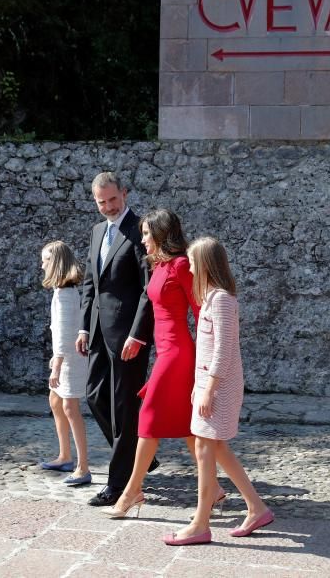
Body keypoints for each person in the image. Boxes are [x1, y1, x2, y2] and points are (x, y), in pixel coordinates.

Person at [101, 209, 225, 519]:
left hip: (179, 355)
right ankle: (215, 490)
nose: (141, 240)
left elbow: (201, 312)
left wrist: (207, 362)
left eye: (146, 234)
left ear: (161, 235)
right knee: (188, 428)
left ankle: (131, 491)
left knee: (147, 419)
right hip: (166, 352)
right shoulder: (160, 265)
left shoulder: (182, 265)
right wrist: (138, 337)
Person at [163, 237, 274, 546]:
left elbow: (224, 351)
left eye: (194, 261)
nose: (191, 266)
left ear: (207, 264)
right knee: (215, 447)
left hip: (221, 386)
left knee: (205, 447)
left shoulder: (223, 299)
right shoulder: (211, 298)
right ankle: (257, 508)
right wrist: (198, 388)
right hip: (210, 384)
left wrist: (208, 389)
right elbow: (208, 351)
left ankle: (200, 523)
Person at [75, 172, 155, 507]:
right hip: (96, 333)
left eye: (113, 199)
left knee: (124, 408)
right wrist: (82, 327)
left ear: (124, 193)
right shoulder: (96, 232)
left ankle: (119, 483)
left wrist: (138, 334)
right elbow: (91, 284)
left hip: (128, 337)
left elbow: (148, 289)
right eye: (101, 202)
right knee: (95, 397)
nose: (108, 207)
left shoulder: (141, 231)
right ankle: (141, 457)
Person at [40, 240, 91, 486]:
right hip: (63, 356)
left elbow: (65, 332)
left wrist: (57, 365)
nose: (42, 265)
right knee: (55, 401)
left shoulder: (66, 295)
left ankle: (82, 467)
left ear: (56, 263)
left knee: (71, 408)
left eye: (46, 260)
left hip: (70, 359)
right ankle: (65, 455)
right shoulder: (62, 292)